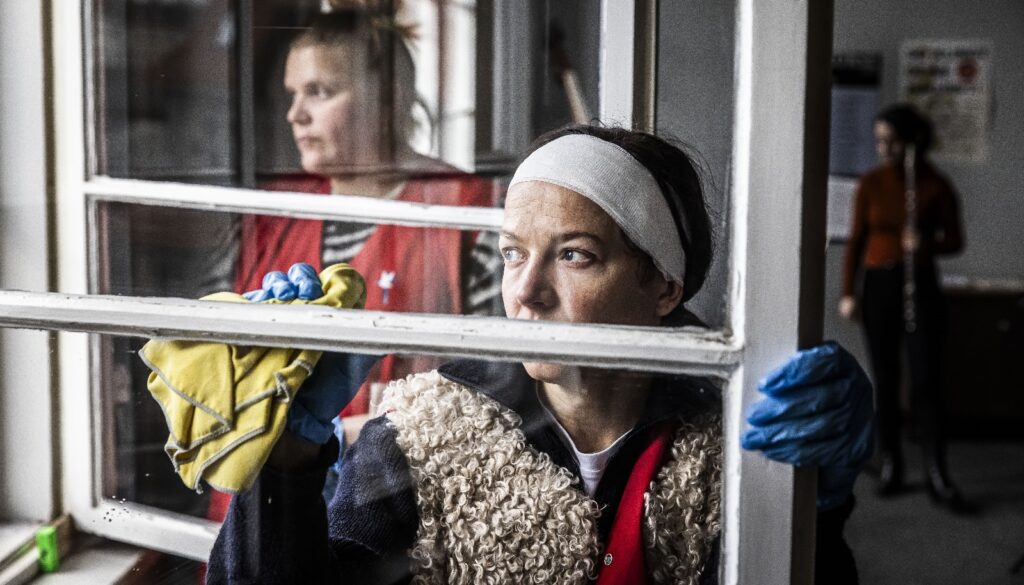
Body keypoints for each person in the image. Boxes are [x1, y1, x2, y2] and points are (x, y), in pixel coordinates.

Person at [200, 124, 873, 584]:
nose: (524, 290)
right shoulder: (427, 430)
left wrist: (821, 499)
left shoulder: (732, 432)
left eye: (574, 255)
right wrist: (283, 459)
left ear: (663, 285)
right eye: (514, 252)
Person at [839, 104, 966, 510]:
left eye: (891, 140)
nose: (883, 148)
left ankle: (936, 469)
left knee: (928, 380)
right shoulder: (872, 184)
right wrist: (848, 292)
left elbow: (956, 240)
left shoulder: (934, 184)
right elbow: (856, 241)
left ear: (912, 140)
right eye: (879, 140)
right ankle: (891, 461)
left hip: (921, 285)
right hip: (879, 285)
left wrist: (926, 244)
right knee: (886, 378)